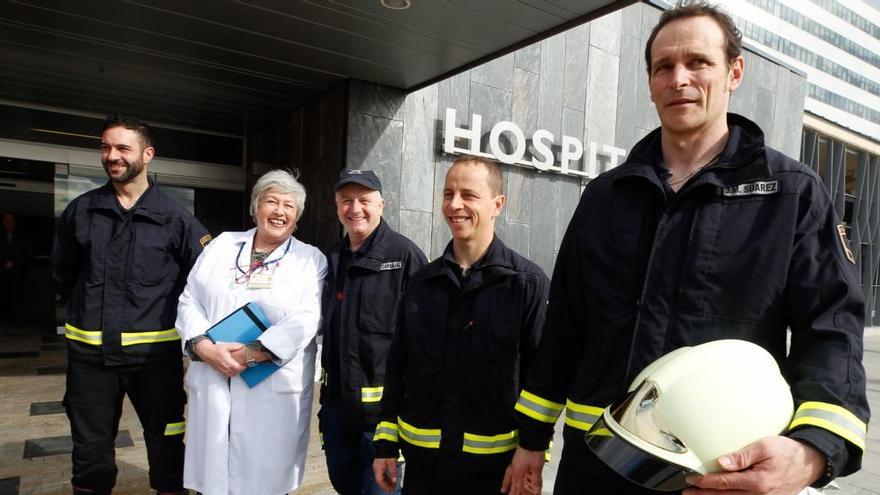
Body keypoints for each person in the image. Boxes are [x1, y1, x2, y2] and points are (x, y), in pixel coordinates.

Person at [504, 2, 870, 494]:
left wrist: (813, 449)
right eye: (664, 67)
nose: (679, 79)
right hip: (597, 464)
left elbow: (831, 331)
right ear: (650, 82)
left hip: (714, 472)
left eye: (698, 62)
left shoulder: (791, 194)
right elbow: (565, 326)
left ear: (734, 72)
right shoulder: (606, 196)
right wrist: (532, 440)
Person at [372, 155, 550, 494]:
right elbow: (397, 369)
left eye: (468, 195)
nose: (455, 205)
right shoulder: (422, 283)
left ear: (498, 204)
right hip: (424, 470)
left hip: (496, 473)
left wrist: (533, 452)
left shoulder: (526, 284)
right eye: (447, 193)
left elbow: (540, 380)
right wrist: (384, 446)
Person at [53, 114, 210, 495]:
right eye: (106, 147)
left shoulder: (177, 219)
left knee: (168, 443)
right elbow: (63, 274)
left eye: (123, 147)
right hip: (90, 359)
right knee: (91, 454)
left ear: (147, 154)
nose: (112, 155)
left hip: (154, 360)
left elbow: (206, 282)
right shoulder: (82, 212)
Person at [175, 169, 327, 495]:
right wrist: (202, 346)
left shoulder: (310, 260)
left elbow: (305, 318)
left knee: (265, 481)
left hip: (271, 385)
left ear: (297, 216)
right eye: (271, 201)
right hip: (214, 373)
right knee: (213, 478)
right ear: (256, 206)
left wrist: (249, 354)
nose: (279, 212)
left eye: (289, 205)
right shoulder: (221, 246)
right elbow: (190, 299)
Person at [319, 168, 426, 494]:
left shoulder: (404, 257)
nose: (355, 209)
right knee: (343, 483)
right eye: (346, 201)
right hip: (337, 409)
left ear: (382, 204)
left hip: (382, 417)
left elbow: (424, 341)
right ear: (337, 206)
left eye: (364, 200)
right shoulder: (333, 258)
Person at [0, 212, 33, 326]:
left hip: (18, 273)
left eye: (10, 219)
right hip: (3, 273)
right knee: (4, 297)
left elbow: (27, 253)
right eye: (5, 219)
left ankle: (17, 320)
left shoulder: (22, 236)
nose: (8, 222)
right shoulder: (1, 235)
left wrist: (14, 262)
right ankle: (5, 320)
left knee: (17, 296)